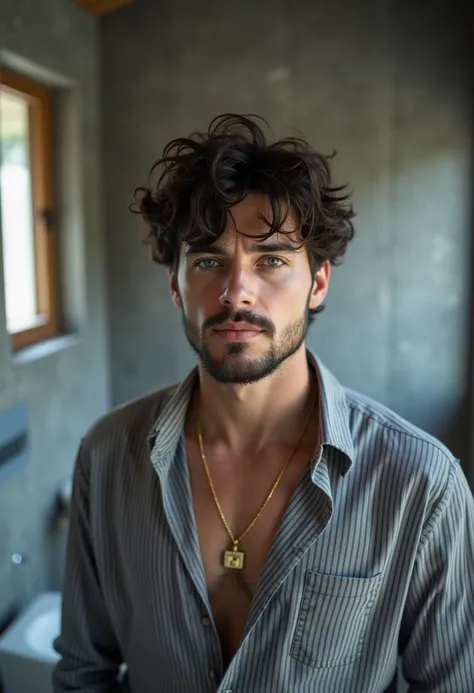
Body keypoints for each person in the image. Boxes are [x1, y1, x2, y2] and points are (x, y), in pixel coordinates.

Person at [53, 114, 474, 693]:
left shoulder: (420, 482)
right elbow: (84, 673)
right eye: (207, 261)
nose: (236, 292)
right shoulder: (105, 456)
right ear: (176, 286)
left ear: (318, 282)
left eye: (271, 260)